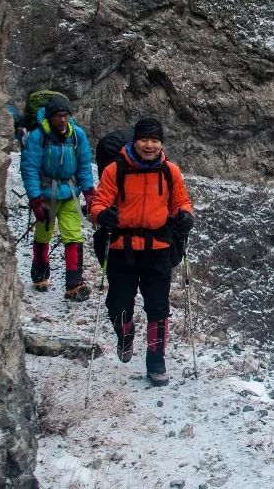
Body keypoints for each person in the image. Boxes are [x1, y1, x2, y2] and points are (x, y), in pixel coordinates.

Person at [91, 118, 194, 387]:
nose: (149, 145)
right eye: (145, 140)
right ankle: (125, 334)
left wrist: (185, 217)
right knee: (118, 303)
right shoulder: (115, 171)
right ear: (134, 141)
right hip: (121, 249)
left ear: (161, 143)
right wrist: (103, 215)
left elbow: (180, 202)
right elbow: (99, 201)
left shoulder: (170, 172)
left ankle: (156, 361)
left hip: (158, 249)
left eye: (155, 140)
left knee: (158, 309)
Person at [21, 95, 96, 300]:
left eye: (65, 115)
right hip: (46, 195)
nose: (62, 120)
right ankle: (40, 275)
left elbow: (84, 165)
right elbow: (30, 168)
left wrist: (89, 193)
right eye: (57, 116)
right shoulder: (38, 137)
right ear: (49, 117)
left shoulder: (77, 135)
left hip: (70, 193)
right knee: (44, 234)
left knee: (73, 235)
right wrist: (35, 200)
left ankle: (74, 285)